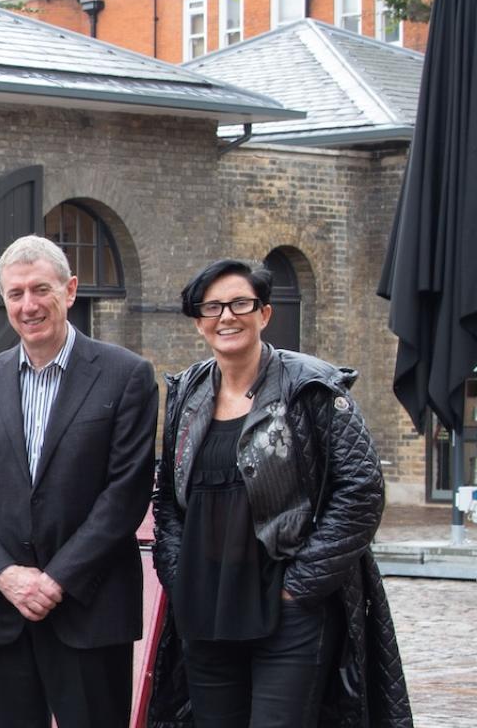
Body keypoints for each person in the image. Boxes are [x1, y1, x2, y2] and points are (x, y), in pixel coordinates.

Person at [145, 259, 411, 728]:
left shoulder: (311, 385)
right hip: (206, 606)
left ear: (264, 314)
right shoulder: (187, 391)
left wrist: (299, 585)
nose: (226, 316)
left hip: (287, 611)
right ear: (198, 321)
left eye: (240, 303)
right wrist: (177, 571)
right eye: (212, 307)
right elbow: (168, 496)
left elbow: (362, 491)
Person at [0, 235, 158, 728]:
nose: (28, 305)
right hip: (3, 612)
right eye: (15, 293)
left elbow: (124, 495)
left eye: (40, 289)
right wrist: (7, 575)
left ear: (70, 290)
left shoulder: (126, 376)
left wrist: (57, 580)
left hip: (90, 608)